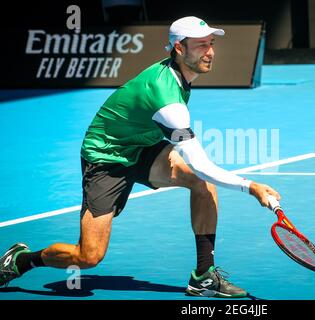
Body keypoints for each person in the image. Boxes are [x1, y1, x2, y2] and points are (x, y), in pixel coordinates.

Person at [0, 16, 280, 298]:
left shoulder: (179, 74)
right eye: (200, 46)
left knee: (201, 182)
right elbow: (202, 164)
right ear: (179, 48)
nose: (209, 51)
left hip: (142, 147)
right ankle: (23, 260)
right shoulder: (166, 99)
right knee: (88, 256)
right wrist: (251, 186)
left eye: (211, 43)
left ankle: (204, 276)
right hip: (107, 158)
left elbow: (200, 172)